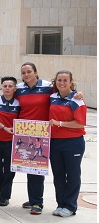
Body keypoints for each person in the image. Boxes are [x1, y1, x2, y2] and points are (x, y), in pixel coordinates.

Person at [15, 62, 54, 215]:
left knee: (37, 168)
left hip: (42, 133)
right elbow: (8, 95)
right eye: (23, 72)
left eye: (29, 71)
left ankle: (37, 202)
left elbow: (66, 92)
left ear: (36, 72)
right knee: (28, 167)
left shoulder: (48, 86)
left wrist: (78, 94)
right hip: (23, 132)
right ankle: (32, 198)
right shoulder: (19, 88)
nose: (26, 75)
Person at [48, 70, 87, 218]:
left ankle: (70, 206)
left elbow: (80, 123)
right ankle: (61, 204)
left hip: (73, 142)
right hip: (55, 142)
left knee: (72, 175)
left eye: (65, 80)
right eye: (59, 80)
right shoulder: (52, 97)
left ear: (71, 82)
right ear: (55, 82)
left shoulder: (77, 100)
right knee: (58, 175)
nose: (62, 83)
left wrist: (59, 123)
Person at [0, 76, 20, 207]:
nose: (7, 88)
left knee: (9, 170)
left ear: (15, 88)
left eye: (10, 86)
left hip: (12, 142)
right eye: (5, 86)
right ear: (1, 87)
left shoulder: (19, 103)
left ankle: (5, 196)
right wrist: (4, 127)